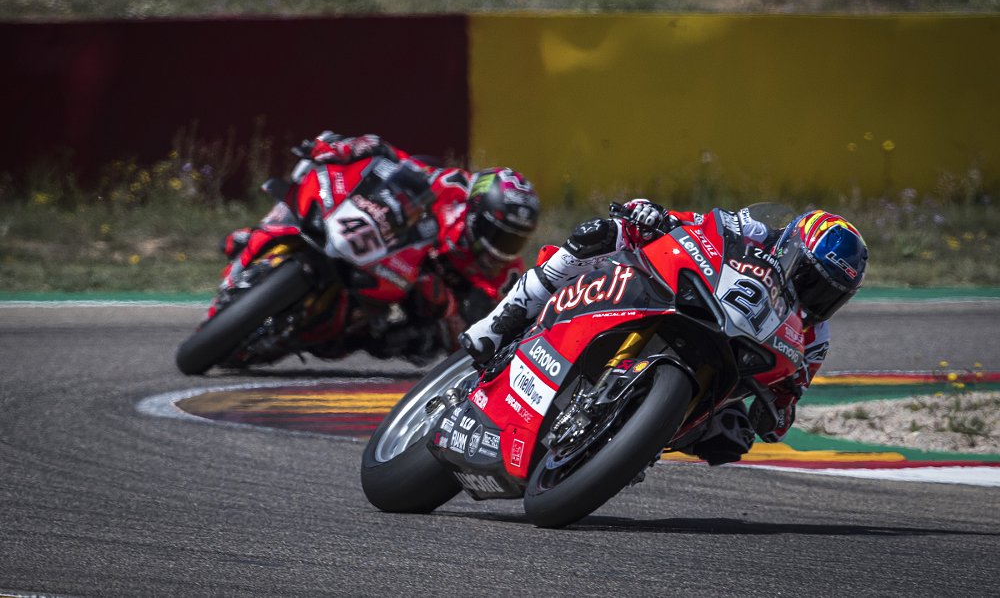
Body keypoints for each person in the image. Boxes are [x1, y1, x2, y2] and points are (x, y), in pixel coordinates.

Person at [459, 199, 869, 465]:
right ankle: (504, 319)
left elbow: (786, 405)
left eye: (830, 295)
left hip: (719, 370)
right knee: (601, 234)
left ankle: (630, 442)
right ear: (791, 250)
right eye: (812, 281)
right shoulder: (756, 233)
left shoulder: (816, 338)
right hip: (685, 297)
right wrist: (656, 215)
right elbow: (698, 224)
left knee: (731, 436)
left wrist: (775, 409)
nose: (815, 298)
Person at [222, 131, 540, 355]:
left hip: (406, 299)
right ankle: (262, 238)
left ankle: (339, 331)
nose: (503, 246)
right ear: (476, 213)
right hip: (383, 246)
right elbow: (394, 157)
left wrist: (448, 308)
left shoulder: (505, 276)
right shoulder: (452, 188)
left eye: (514, 239)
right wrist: (346, 149)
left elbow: (478, 332)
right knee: (311, 188)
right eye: (498, 233)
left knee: (408, 341)